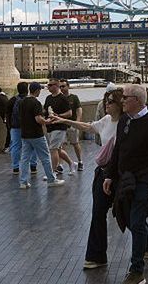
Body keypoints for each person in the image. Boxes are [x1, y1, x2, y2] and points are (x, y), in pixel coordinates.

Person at [49, 87, 124, 270]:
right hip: (104, 172)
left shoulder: (127, 123)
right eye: (106, 99)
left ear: (121, 104)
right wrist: (64, 120)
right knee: (98, 212)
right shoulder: (106, 120)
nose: (106, 103)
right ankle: (96, 256)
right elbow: (87, 126)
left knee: (127, 214)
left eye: (111, 101)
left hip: (121, 174)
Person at [103, 84, 148, 284]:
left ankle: (136, 272)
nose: (121, 101)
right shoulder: (124, 120)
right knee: (130, 220)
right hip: (125, 181)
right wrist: (109, 175)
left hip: (144, 181)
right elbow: (118, 151)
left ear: (137, 101)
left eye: (125, 98)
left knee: (136, 220)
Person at [19, 82, 64, 189]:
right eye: (40, 90)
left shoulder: (22, 102)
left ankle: (23, 182)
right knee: (45, 157)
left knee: (25, 159)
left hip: (25, 134)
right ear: (37, 90)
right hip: (36, 135)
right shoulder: (36, 103)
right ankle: (51, 180)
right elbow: (38, 119)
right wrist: (47, 121)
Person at [43, 79, 74, 176]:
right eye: (48, 85)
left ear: (56, 86)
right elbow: (44, 110)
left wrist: (59, 115)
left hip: (60, 127)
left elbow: (70, 113)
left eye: (50, 85)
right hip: (50, 127)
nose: (48, 87)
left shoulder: (63, 98)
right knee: (58, 149)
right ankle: (71, 163)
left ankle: (53, 172)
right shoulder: (48, 98)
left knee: (53, 149)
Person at [62, 80, 84, 171]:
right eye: (60, 87)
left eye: (63, 86)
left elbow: (79, 110)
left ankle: (80, 162)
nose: (62, 88)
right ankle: (61, 165)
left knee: (75, 144)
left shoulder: (74, 97)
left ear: (68, 86)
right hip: (62, 126)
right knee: (61, 146)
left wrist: (77, 122)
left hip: (72, 125)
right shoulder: (59, 98)